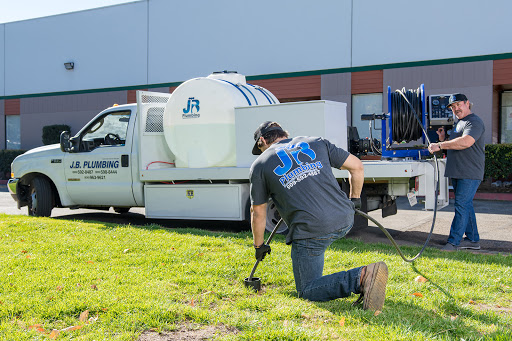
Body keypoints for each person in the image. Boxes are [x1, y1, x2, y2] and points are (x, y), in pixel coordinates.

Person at [249, 121, 388, 311]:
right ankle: (358, 277)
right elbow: (357, 166)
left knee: (307, 290)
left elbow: (258, 212)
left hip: (312, 230)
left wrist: (259, 246)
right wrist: (355, 199)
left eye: (261, 147)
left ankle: (362, 277)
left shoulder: (260, 164)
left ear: (263, 140)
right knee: (316, 252)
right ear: (284, 134)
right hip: (344, 218)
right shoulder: (316, 141)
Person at [428, 94, 485, 251]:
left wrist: (440, 145)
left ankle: (453, 243)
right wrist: (442, 138)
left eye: (458, 105)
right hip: (459, 171)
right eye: (452, 107)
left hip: (469, 171)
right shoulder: (459, 123)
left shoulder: (474, 122)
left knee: (461, 205)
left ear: (467, 103)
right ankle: (473, 240)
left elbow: (466, 142)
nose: (455, 109)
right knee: (466, 205)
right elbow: (455, 143)